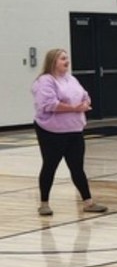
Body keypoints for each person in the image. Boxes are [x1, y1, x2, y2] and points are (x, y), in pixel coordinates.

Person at [31, 48, 107, 216]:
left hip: (74, 129)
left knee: (77, 167)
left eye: (67, 58)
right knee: (50, 166)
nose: (67, 61)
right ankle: (44, 203)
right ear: (53, 62)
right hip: (52, 131)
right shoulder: (46, 81)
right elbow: (49, 104)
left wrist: (85, 103)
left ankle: (88, 202)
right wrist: (73, 108)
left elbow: (84, 95)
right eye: (62, 59)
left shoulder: (70, 79)